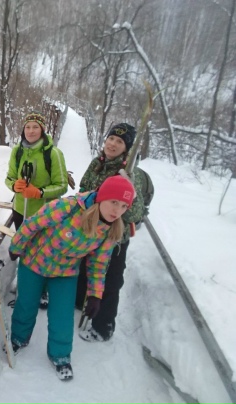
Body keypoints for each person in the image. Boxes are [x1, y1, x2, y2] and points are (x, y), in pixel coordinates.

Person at [8, 176, 135, 381]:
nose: (117, 211)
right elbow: (33, 224)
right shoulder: (68, 207)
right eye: (114, 202)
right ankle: (18, 338)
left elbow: (98, 263)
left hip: (65, 272)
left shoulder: (111, 228)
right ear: (102, 197)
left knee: (63, 314)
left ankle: (60, 354)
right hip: (34, 261)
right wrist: (16, 246)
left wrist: (95, 295)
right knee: (26, 304)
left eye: (123, 206)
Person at [75, 123, 145, 343]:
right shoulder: (97, 163)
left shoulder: (132, 174)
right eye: (111, 138)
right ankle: (81, 302)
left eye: (120, 142)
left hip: (114, 238)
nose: (113, 144)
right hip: (90, 231)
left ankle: (103, 326)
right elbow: (83, 188)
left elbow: (135, 214)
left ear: (127, 148)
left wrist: (130, 188)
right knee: (85, 269)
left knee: (110, 280)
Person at [5, 111, 68, 308]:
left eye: (35, 127)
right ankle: (25, 286)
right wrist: (14, 186)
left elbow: (62, 185)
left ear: (42, 130)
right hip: (20, 209)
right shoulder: (17, 151)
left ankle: (42, 290)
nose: (31, 131)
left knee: (42, 252)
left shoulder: (53, 153)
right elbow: (9, 177)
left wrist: (39, 192)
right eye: (28, 127)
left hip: (44, 214)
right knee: (23, 248)